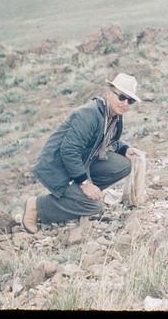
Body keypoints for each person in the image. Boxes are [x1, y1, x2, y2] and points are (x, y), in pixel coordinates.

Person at [21, 73, 143, 233]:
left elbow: (106, 139)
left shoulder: (114, 116)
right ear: (109, 94)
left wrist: (124, 149)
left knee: (123, 165)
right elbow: (69, 150)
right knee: (94, 206)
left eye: (130, 100)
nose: (125, 103)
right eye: (121, 97)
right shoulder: (89, 114)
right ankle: (37, 205)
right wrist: (85, 184)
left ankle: (77, 198)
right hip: (58, 166)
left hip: (81, 163)